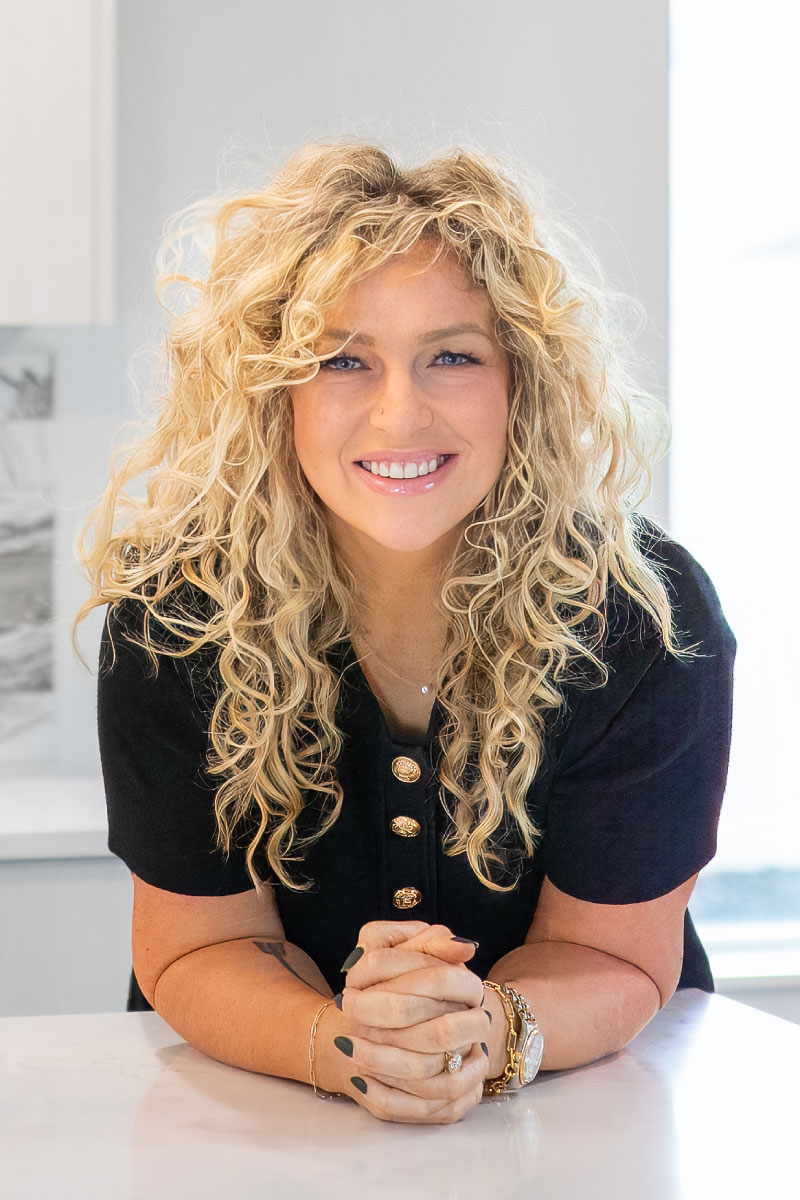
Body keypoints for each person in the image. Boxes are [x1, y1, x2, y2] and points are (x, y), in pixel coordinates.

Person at [73, 141, 736, 1126]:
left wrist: (490, 1033)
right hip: (252, 1122)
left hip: (586, 1114)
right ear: (271, 393)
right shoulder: (178, 619)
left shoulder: (642, 618)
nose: (399, 410)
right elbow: (196, 945)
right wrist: (346, 1049)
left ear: (523, 382)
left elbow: (609, 951)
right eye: (342, 358)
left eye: (451, 355)